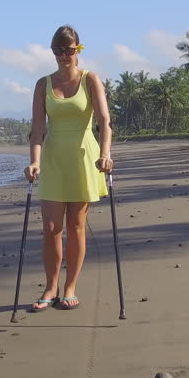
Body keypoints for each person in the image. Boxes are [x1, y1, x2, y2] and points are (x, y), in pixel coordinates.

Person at [24, 25, 114, 311]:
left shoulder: (90, 79)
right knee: (51, 228)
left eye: (70, 50)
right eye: (59, 51)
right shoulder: (43, 84)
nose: (65, 55)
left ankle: (70, 287)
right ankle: (51, 287)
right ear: (53, 52)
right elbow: (38, 128)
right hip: (52, 159)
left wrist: (106, 154)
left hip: (84, 158)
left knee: (76, 227)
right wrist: (34, 161)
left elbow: (104, 122)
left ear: (78, 50)